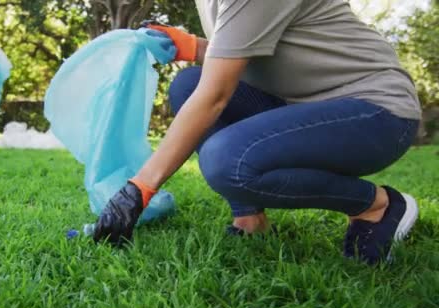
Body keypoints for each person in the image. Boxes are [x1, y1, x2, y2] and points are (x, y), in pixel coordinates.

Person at [93, 0, 422, 265]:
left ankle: (376, 205)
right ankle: (250, 220)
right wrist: (193, 46)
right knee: (187, 85)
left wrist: (138, 190)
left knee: (228, 161)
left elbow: (215, 98)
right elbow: (246, 49)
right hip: (303, 104)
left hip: (376, 111)